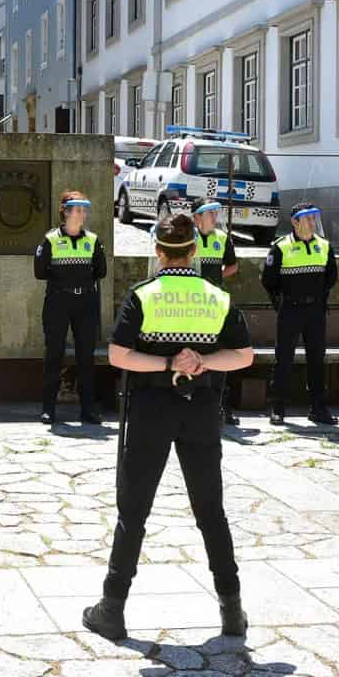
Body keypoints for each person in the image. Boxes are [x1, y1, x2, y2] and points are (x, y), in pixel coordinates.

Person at [82, 213, 253, 642]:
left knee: (133, 513)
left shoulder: (143, 296)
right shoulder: (216, 295)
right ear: (194, 251)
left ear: (158, 252)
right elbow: (245, 355)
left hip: (150, 409)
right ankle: (231, 609)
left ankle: (113, 608)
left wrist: (164, 362)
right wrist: (202, 361)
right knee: (211, 512)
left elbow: (119, 355)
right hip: (200, 408)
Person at [262, 202, 339, 426]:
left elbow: (331, 278)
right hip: (290, 310)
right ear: (295, 222)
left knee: (317, 359)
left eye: (314, 219)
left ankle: (318, 407)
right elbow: (269, 281)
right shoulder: (281, 247)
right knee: (283, 359)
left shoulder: (324, 246)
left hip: (315, 311)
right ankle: (278, 406)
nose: (312, 223)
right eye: (307, 219)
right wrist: (282, 304)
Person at [35, 191, 107, 425]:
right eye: (77, 209)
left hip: (85, 303)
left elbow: (101, 271)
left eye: (84, 209)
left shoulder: (93, 241)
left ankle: (88, 409)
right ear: (65, 212)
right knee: (53, 354)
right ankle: (48, 409)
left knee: (86, 357)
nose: (82, 214)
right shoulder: (51, 240)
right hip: (58, 302)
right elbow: (40, 272)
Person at [193, 200, 242, 427]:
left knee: (221, 354)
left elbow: (232, 266)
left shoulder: (222, 238)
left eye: (215, 213)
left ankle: (223, 407)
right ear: (197, 218)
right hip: (192, 306)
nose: (214, 217)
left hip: (215, 305)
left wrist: (218, 279)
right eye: (209, 213)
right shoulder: (188, 238)